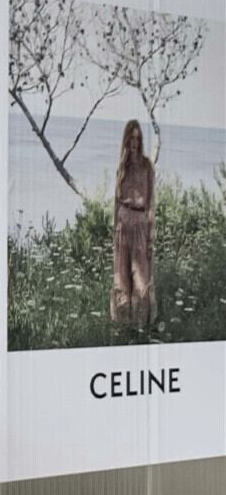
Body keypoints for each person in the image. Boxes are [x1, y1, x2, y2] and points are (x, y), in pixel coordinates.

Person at [110, 119, 157, 334]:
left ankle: (141, 330)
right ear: (126, 140)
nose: (135, 143)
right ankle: (123, 330)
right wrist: (114, 233)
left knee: (141, 280)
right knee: (121, 280)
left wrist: (150, 235)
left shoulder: (147, 166)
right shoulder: (122, 167)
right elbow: (115, 202)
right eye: (131, 138)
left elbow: (151, 203)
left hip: (140, 226)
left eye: (138, 138)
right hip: (122, 228)